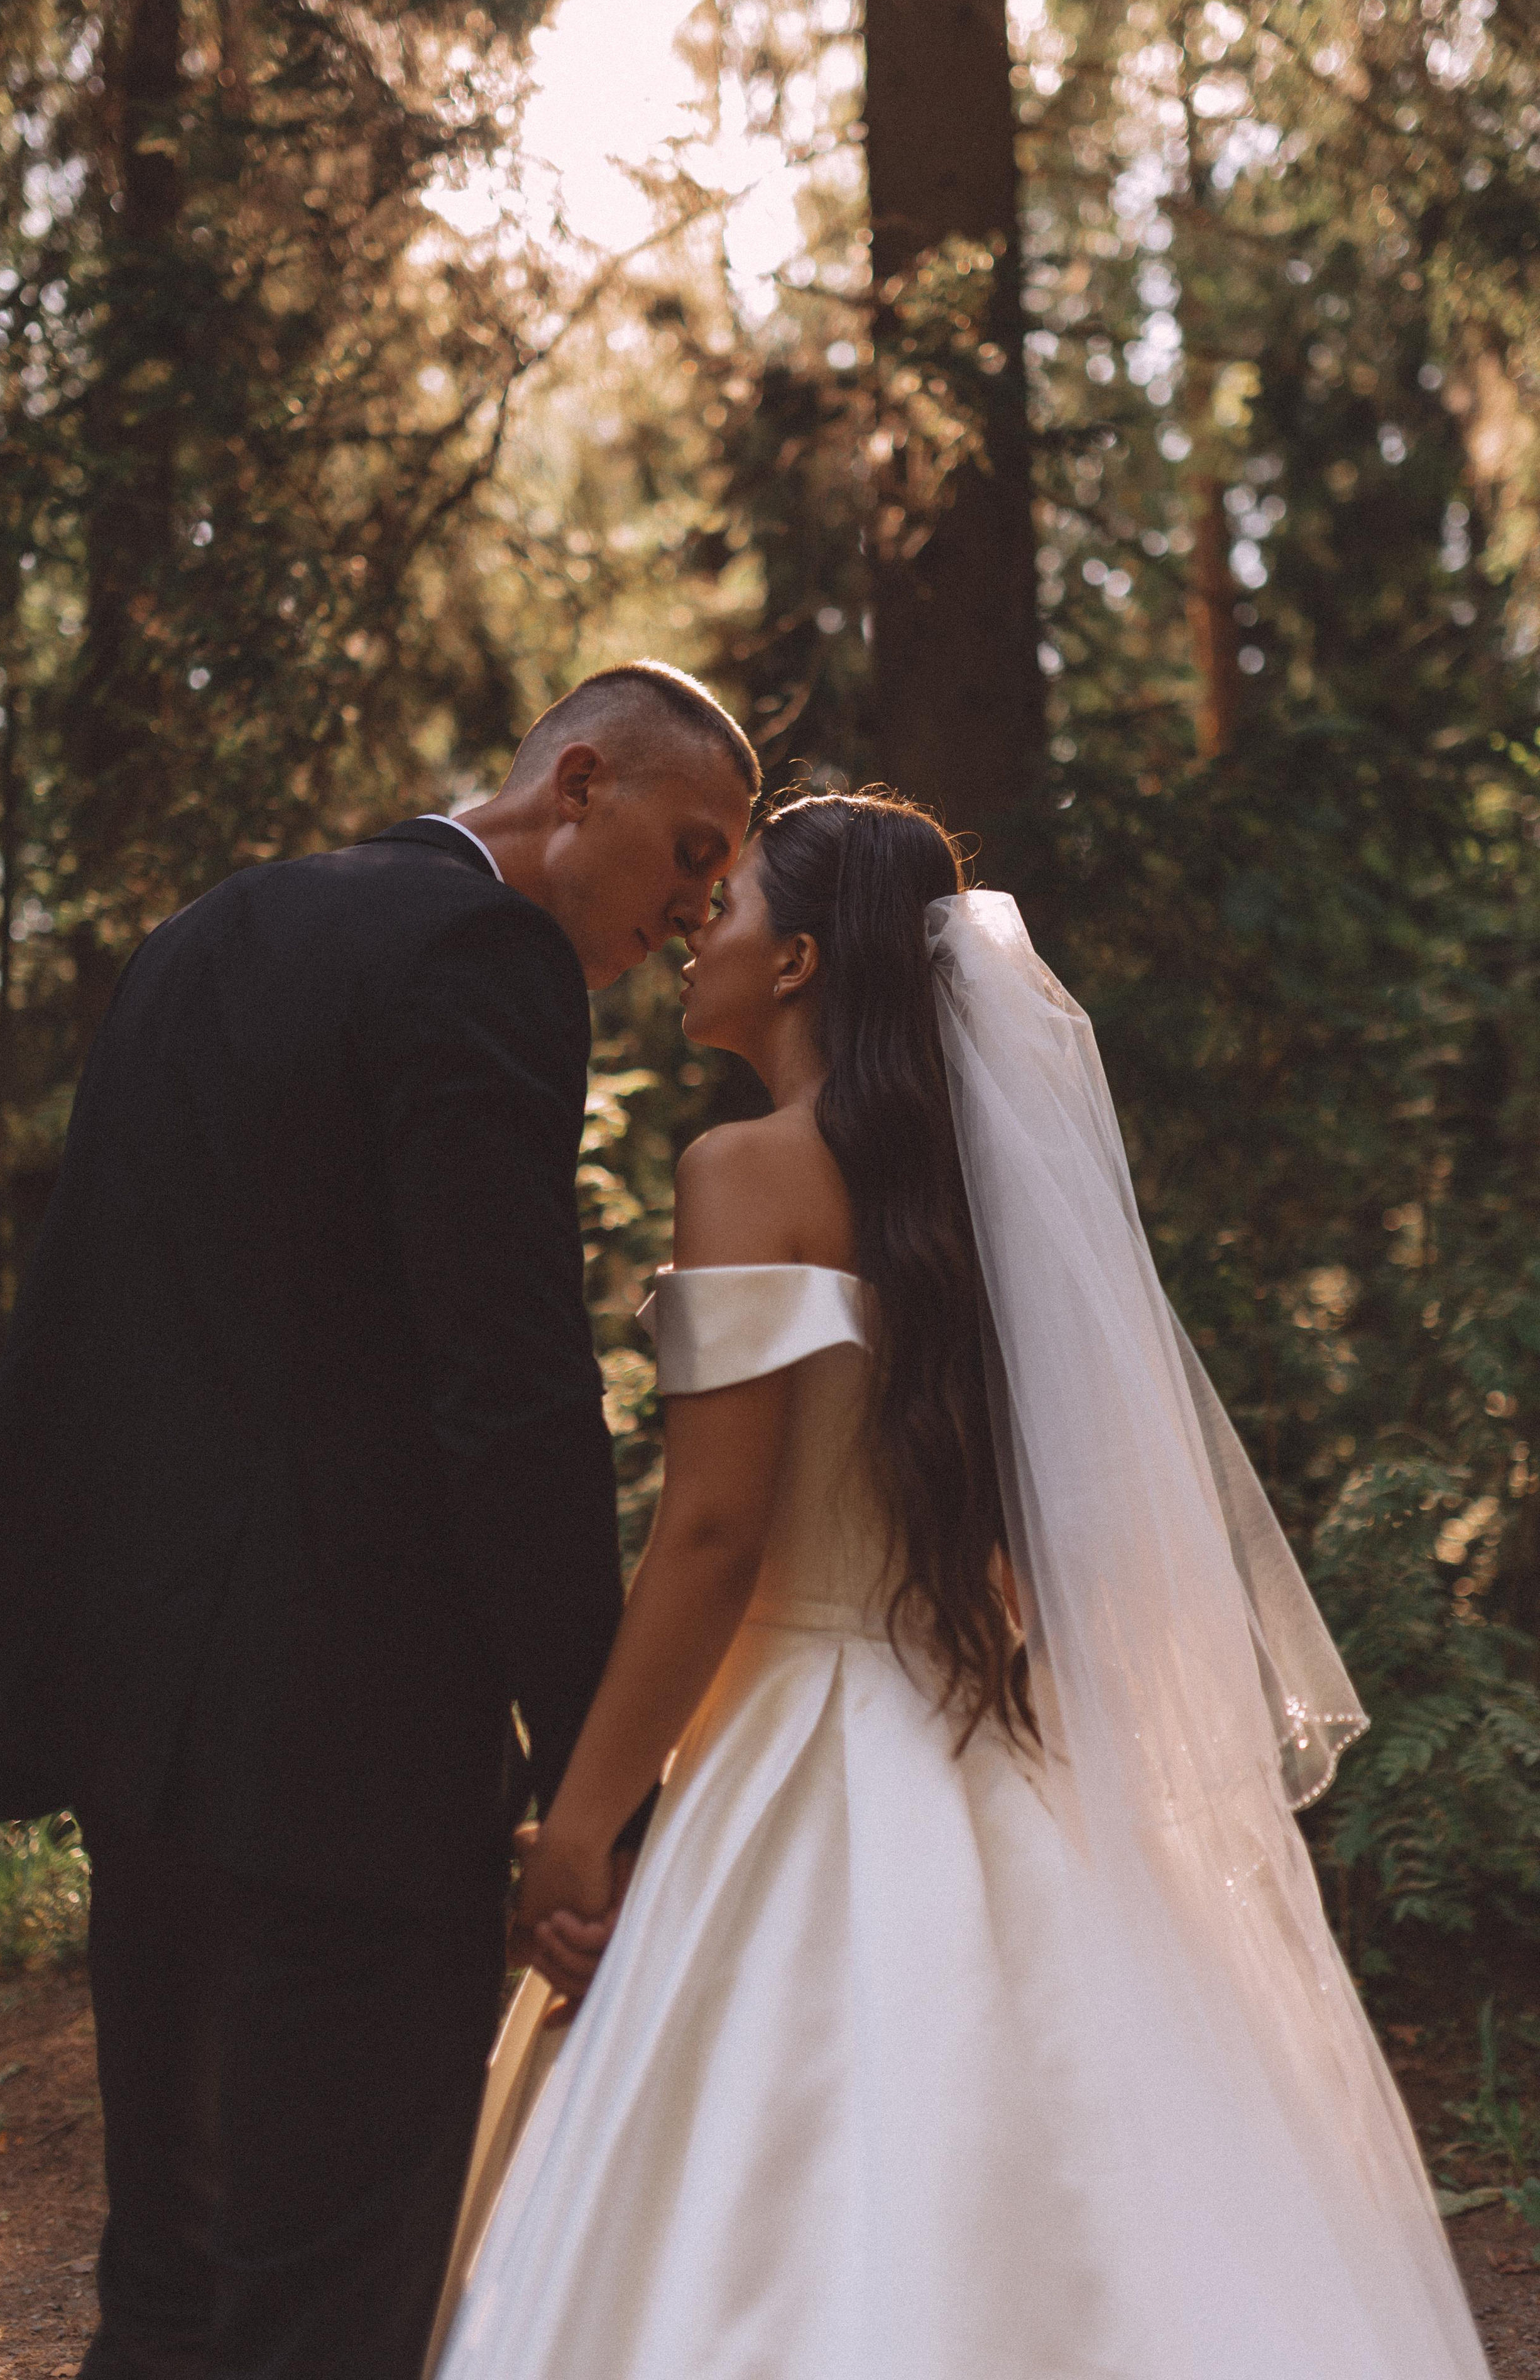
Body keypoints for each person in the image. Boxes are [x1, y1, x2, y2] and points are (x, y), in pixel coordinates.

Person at [435, 788, 1492, 2380]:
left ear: (794, 962)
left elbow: (714, 1542)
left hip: (794, 1728)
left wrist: (578, 1821)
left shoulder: (744, 1172)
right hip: (974, 1718)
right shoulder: (968, 1210)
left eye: (722, 908)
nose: (691, 934)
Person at [0, 661, 757, 2380]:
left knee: (168, 2271)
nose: (694, 913)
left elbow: (95, 1331)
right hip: (355, 1763)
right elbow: (508, 1390)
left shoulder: (215, 929)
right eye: (689, 852)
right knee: (333, 2294)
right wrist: (589, 1758)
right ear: (580, 781)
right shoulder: (481, 958)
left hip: (148, 1743)